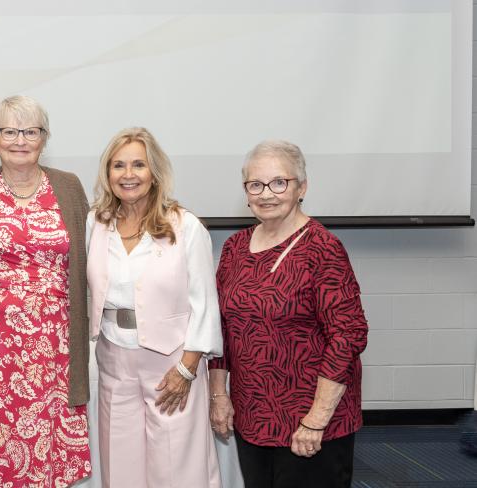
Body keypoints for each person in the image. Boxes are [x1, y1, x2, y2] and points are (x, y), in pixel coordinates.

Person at [208, 140, 368, 488]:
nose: (267, 193)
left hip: (309, 423)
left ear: (302, 187)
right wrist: (219, 396)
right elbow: (220, 328)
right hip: (252, 418)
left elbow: (348, 337)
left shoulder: (323, 248)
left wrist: (316, 420)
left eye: (279, 182)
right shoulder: (235, 248)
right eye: (255, 184)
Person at [0, 95, 91, 487]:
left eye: (30, 131)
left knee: (48, 451)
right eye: (9, 131)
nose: (20, 140)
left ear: (44, 138)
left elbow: (95, 250)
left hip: (56, 345)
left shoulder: (68, 186)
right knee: (5, 448)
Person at [86, 127, 223, 487]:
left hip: (172, 363)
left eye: (138, 165)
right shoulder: (96, 224)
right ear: (107, 174)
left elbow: (205, 305)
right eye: (118, 166)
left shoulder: (186, 227)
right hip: (114, 360)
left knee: (177, 467)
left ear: (155, 173)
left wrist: (188, 369)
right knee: (120, 467)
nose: (128, 175)